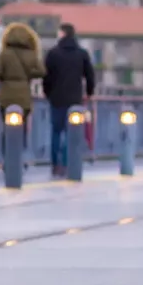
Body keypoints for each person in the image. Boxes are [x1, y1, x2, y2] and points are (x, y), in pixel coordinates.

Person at [42, 23, 94, 178]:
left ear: (62, 34)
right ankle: (66, 162)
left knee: (56, 132)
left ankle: (55, 165)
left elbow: (47, 77)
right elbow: (90, 76)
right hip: (75, 100)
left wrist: (48, 93)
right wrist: (89, 93)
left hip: (56, 98)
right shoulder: (82, 54)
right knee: (72, 132)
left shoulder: (53, 54)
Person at [0, 22, 45, 165]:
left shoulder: (4, 54)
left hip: (6, 96)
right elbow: (42, 71)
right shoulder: (31, 54)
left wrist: (6, 76)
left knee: (6, 127)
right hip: (24, 96)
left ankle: (6, 158)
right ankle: (18, 157)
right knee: (21, 128)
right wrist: (28, 75)